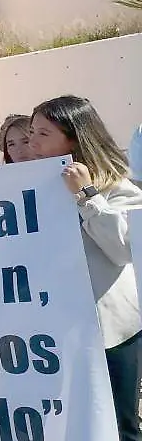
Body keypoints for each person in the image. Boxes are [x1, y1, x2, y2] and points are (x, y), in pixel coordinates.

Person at [28, 95, 142, 440]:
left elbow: (123, 249)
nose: (32, 142)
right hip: (57, 330)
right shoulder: (30, 187)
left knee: (120, 424)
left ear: (73, 137)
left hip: (111, 331)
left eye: (43, 134)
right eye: (31, 132)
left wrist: (87, 196)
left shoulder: (118, 186)